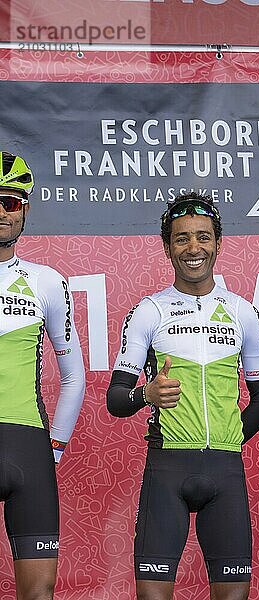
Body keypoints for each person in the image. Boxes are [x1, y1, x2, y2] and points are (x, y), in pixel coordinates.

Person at [107, 192, 259, 600]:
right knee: (152, 596)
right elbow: (115, 399)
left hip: (226, 474)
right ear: (167, 248)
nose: (193, 248)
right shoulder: (150, 310)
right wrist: (145, 394)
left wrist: (227, 437)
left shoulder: (242, 312)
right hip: (167, 470)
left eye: (202, 237)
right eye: (181, 239)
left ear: (218, 242)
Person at [0, 151, 85, 600]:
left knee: (38, 593)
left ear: (25, 208)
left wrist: (52, 446)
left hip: (28, 448)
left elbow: (73, 374)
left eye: (10, 202)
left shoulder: (47, 281)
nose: (0, 210)